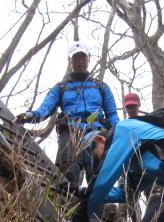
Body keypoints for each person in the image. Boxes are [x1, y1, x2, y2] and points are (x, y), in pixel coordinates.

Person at [13, 41, 120, 188]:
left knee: (99, 175)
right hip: (70, 131)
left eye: (83, 57)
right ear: (70, 61)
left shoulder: (101, 87)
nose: (80, 61)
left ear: (89, 58)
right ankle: (68, 203)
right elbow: (44, 110)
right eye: (75, 58)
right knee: (68, 172)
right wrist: (28, 116)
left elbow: (112, 115)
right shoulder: (61, 88)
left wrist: (118, 133)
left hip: (97, 132)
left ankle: (95, 205)